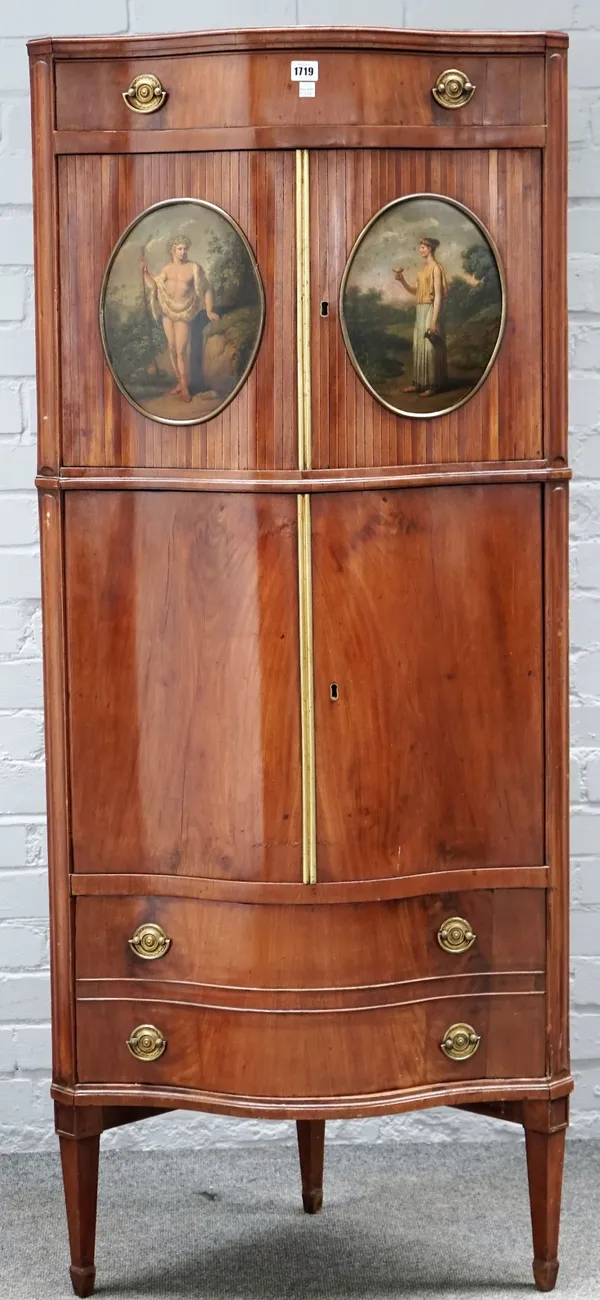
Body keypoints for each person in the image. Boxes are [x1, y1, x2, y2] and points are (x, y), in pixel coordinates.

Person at [141, 235, 219, 403]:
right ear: (173, 250)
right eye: (180, 249)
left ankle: (185, 388)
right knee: (172, 347)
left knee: (181, 351)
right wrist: (146, 273)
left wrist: (209, 311)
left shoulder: (193, 268)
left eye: (185, 249)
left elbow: (206, 289)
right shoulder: (167, 269)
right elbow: (154, 286)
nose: (183, 252)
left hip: (184, 312)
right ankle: (180, 381)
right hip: (168, 311)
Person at [393, 237, 448, 396]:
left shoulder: (436, 268)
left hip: (431, 310)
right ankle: (419, 383)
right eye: (420, 247)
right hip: (420, 310)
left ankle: (433, 385)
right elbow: (414, 291)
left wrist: (433, 322)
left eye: (423, 247)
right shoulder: (423, 269)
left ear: (430, 248)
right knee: (419, 347)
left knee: (430, 348)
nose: (420, 250)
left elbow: (438, 297)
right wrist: (402, 281)